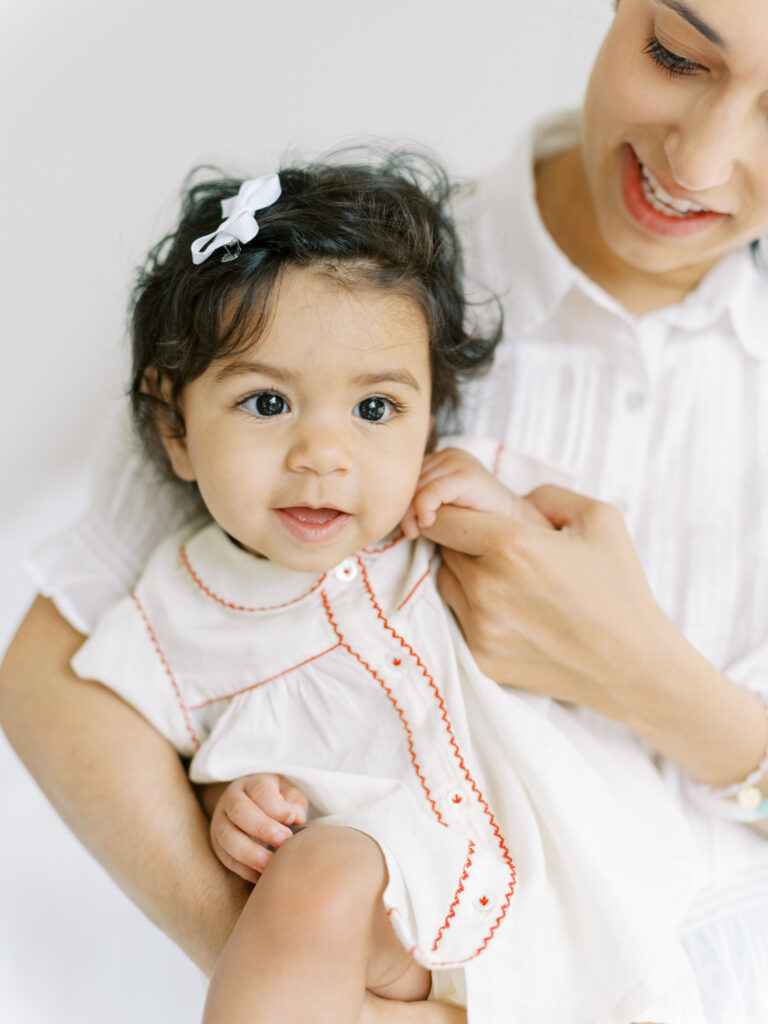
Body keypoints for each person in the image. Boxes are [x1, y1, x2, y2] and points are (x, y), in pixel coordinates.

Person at [2, 0, 768, 1020]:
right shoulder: (335, 283)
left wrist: (650, 675)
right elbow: (60, 672)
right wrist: (307, 964)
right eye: (676, 55)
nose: (703, 161)